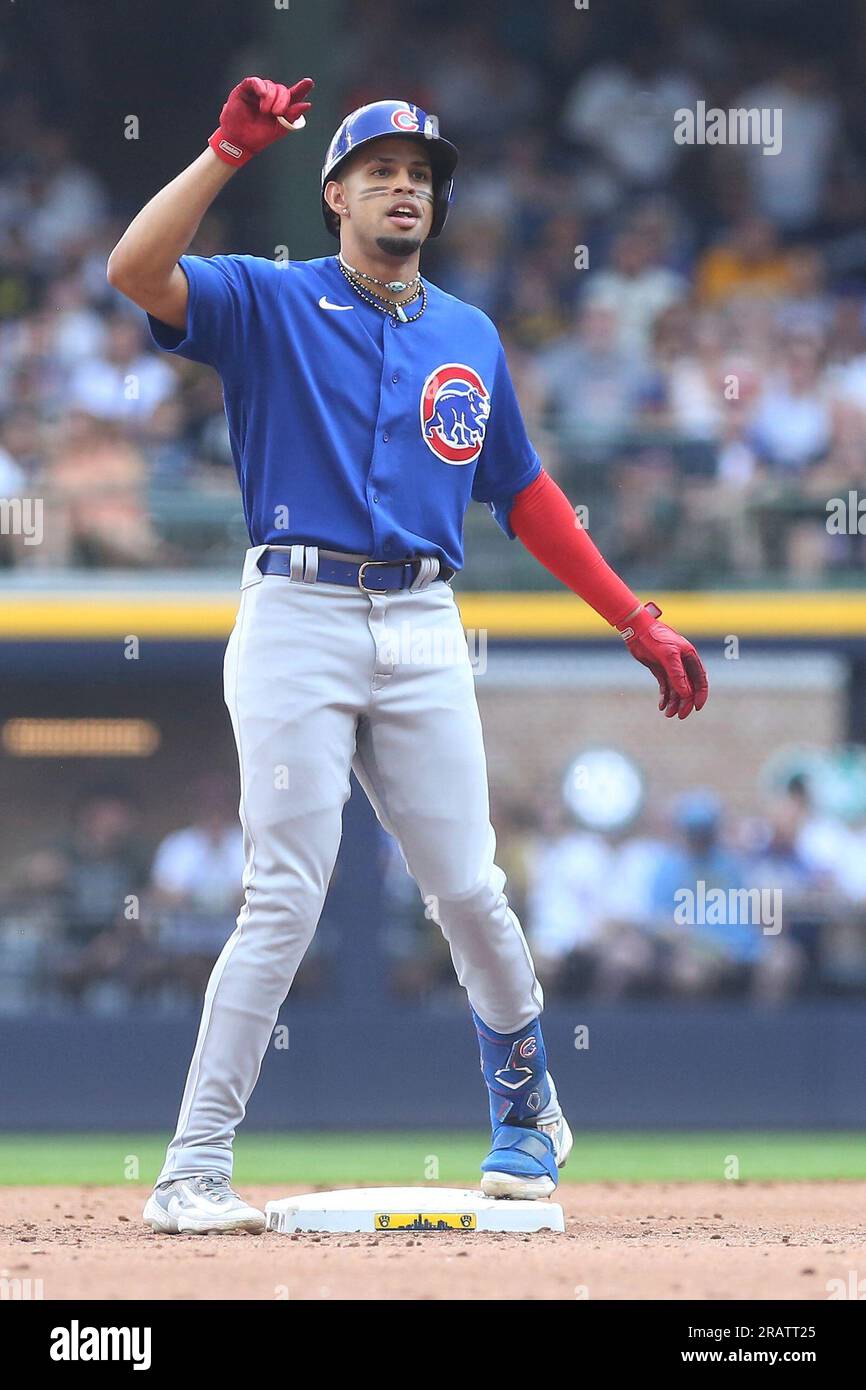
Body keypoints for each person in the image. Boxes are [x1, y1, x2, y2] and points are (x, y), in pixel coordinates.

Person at [107, 76, 708, 1235]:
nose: (403, 186)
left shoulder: (466, 334)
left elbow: (526, 496)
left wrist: (633, 617)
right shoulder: (271, 299)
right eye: (378, 169)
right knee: (281, 894)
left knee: (469, 888)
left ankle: (527, 1114)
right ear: (334, 194)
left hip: (424, 621)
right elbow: (135, 272)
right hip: (296, 610)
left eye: (421, 175)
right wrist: (225, 151)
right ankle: (191, 1166)